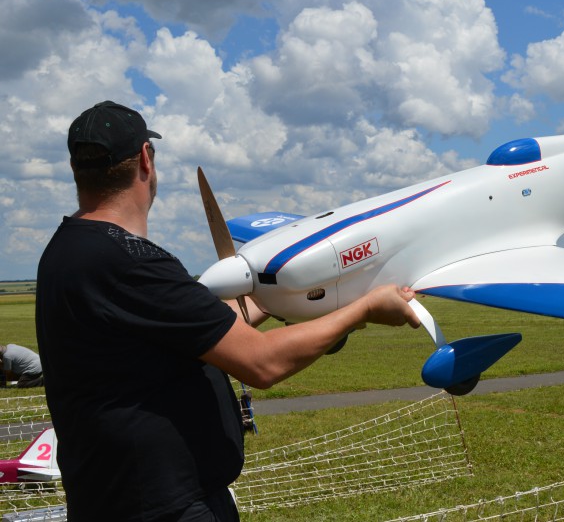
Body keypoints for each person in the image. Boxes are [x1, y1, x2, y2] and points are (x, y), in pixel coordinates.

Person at [36, 101, 421, 522]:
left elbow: (195, 331)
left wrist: (284, 298)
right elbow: (262, 363)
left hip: (109, 499)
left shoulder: (68, 250)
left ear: (76, 168)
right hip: (162, 506)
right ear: (146, 158)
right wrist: (364, 307)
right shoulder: (131, 262)